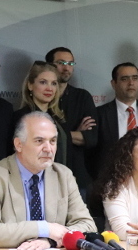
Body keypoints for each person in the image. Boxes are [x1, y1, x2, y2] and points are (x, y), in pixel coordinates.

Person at [0, 111, 96, 250]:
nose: (48, 149)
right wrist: (44, 228)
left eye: (52, 141)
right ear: (19, 144)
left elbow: (88, 225)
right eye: (39, 141)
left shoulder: (64, 175)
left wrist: (50, 240)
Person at [45, 47, 99, 195]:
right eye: (61, 63)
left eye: (70, 63)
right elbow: (39, 140)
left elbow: (91, 138)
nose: (66, 68)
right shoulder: (43, 97)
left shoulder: (83, 97)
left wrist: (58, 136)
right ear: (49, 65)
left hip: (78, 179)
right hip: (46, 178)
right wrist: (75, 134)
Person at [94, 62, 138, 179]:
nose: (131, 83)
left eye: (135, 78)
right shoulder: (100, 114)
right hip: (112, 179)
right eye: (124, 79)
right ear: (114, 84)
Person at [12, 62, 69, 168]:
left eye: (53, 83)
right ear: (30, 85)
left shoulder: (59, 118)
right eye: (43, 82)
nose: (49, 88)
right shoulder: (20, 118)